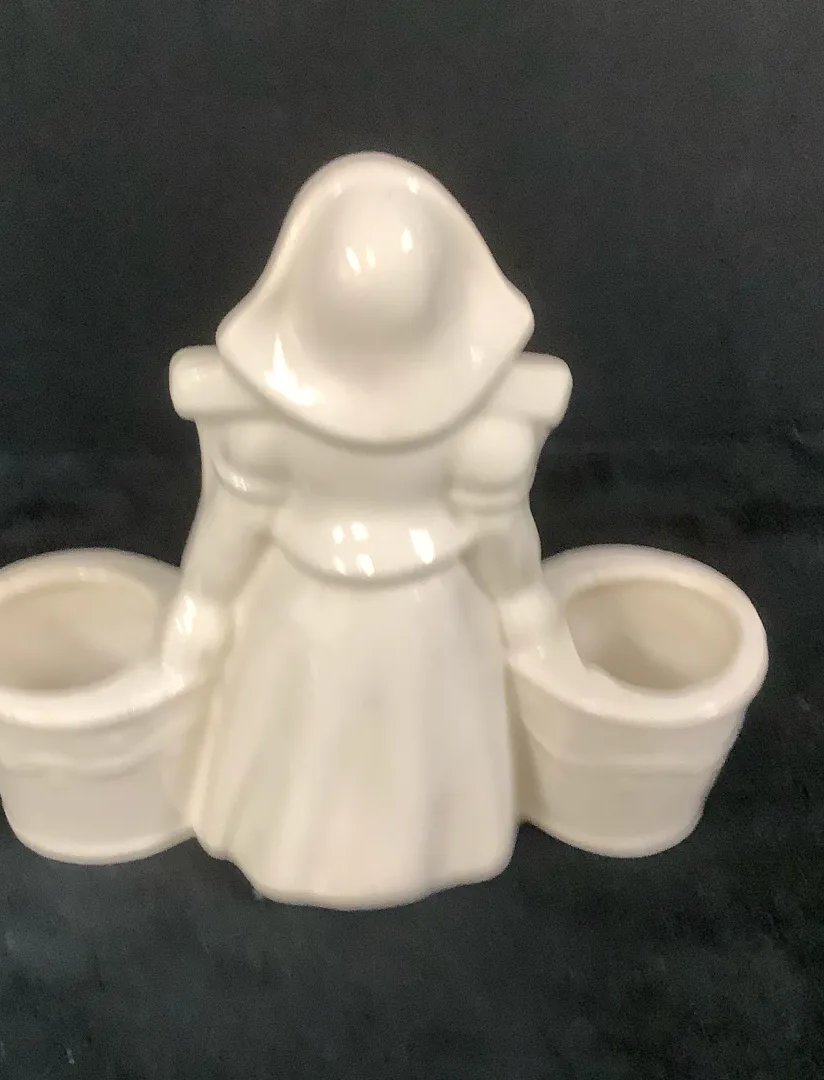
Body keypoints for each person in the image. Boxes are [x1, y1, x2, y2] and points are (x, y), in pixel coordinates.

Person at [158, 153, 574, 907]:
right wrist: (522, 603)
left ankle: (358, 850)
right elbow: (498, 536)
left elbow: (237, 520)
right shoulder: (472, 432)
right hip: (399, 617)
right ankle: (362, 849)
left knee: (358, 741)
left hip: (338, 612)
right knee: (364, 739)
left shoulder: (273, 427)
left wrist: (204, 601)